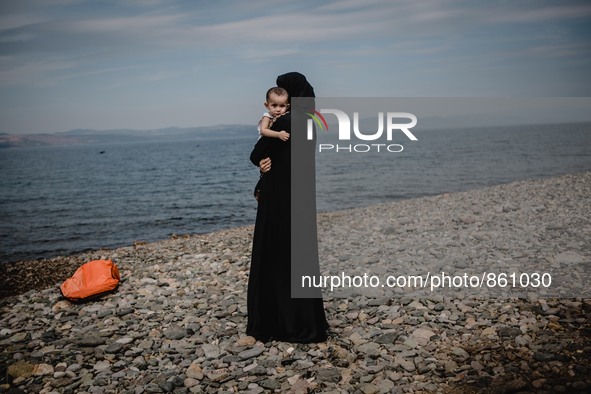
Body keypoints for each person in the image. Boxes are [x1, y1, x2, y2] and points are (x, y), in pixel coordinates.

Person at [247, 72, 328, 343]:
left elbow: (256, 153)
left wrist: (262, 161)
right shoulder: (310, 120)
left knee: (275, 255)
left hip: (279, 197)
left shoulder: (286, 121)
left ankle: (278, 323)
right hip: (301, 197)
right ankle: (306, 322)